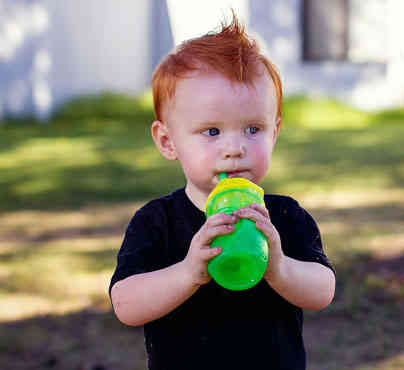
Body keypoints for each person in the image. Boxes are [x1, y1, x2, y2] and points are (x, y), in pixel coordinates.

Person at [108, 12, 335, 370]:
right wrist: (187, 273)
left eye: (252, 129)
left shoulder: (285, 216)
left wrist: (279, 268)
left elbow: (323, 291)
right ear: (168, 141)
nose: (235, 148)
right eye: (212, 131)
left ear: (274, 133)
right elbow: (125, 305)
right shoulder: (157, 221)